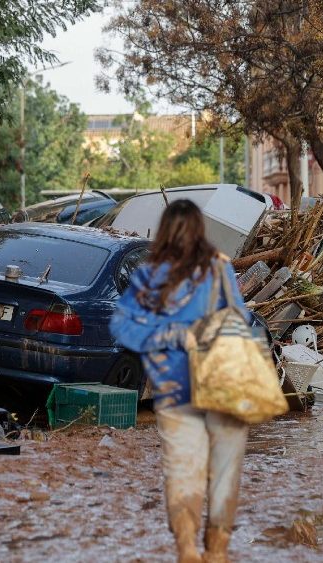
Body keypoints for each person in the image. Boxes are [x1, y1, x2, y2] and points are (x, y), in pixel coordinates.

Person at [110, 200, 251, 563]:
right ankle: (215, 551)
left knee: (184, 471)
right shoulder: (219, 268)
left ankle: (188, 548)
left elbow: (124, 327)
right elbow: (241, 319)